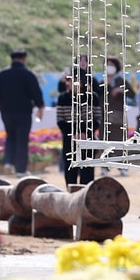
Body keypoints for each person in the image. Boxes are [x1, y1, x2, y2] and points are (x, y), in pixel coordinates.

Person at [0, 49, 44, 175]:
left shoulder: (2, 75)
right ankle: (20, 170)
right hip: (23, 113)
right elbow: (35, 93)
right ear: (23, 59)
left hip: (6, 112)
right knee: (22, 139)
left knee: (10, 136)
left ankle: (8, 162)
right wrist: (40, 106)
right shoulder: (27, 75)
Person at [56, 55, 100, 185]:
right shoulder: (63, 98)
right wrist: (73, 133)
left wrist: (85, 133)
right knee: (70, 170)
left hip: (87, 139)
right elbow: (60, 120)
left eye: (76, 80)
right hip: (70, 140)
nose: (72, 83)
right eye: (70, 80)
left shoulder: (93, 97)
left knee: (87, 171)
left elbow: (97, 118)